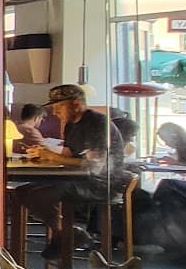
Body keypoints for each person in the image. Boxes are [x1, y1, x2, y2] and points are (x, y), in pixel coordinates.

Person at [18, 83, 130, 257]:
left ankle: (66, 235)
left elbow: (96, 165)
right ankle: (64, 233)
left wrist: (53, 157)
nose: (55, 113)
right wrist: (43, 154)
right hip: (80, 178)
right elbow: (70, 153)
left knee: (40, 195)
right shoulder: (71, 125)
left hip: (102, 182)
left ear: (76, 104)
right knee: (22, 192)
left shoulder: (98, 124)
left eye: (58, 107)